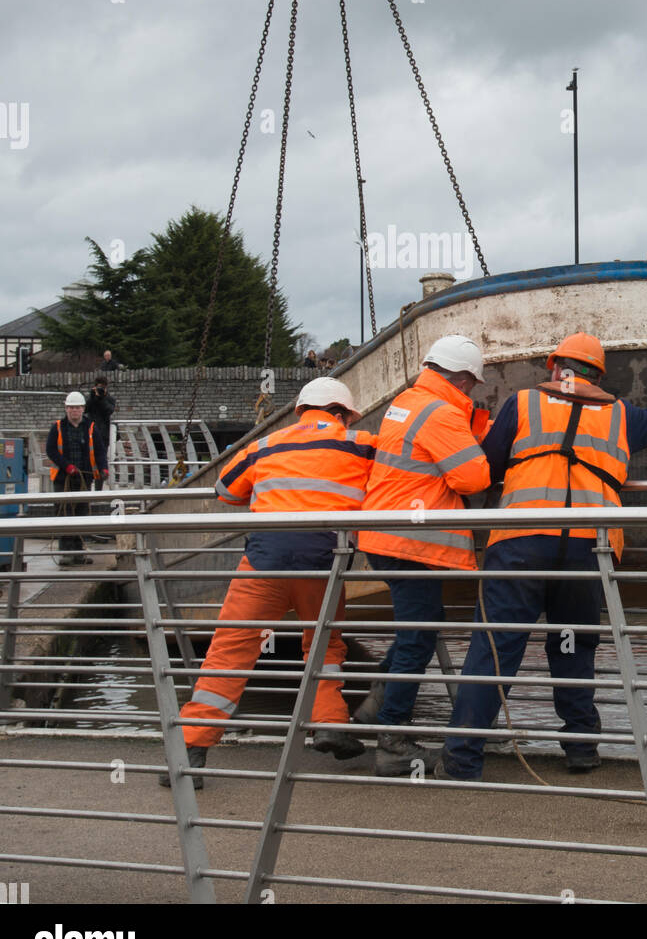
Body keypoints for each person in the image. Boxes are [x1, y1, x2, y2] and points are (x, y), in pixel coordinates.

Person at [436, 332, 647, 781]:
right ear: (598, 375)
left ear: (555, 368)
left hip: (522, 543)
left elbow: (487, 470)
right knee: (572, 645)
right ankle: (579, 747)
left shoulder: (523, 404)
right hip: (586, 549)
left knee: (495, 649)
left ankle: (462, 759)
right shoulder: (619, 415)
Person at [161, 378, 376, 790]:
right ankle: (330, 724)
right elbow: (396, 478)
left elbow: (225, 490)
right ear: (342, 414)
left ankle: (190, 748)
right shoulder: (362, 443)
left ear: (301, 411)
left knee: (229, 652)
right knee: (324, 645)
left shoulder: (266, 445)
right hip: (324, 560)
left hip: (263, 561)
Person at [357, 334, 491, 776]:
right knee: (417, 636)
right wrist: (473, 440)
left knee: (420, 627)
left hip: (387, 537)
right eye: (473, 384)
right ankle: (392, 739)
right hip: (408, 542)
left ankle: (373, 709)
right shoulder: (442, 411)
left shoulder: (410, 401)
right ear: (465, 378)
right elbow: (474, 479)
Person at [45, 391, 109, 567]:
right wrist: (67, 466)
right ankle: (66, 553)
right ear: (66, 409)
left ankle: (79, 552)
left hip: (83, 478)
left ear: (83, 409)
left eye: (78, 407)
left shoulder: (90, 427)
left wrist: (103, 468)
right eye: (71, 408)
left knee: (81, 514)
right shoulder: (57, 427)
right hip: (62, 478)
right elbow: (51, 450)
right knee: (64, 514)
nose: (74, 411)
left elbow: (100, 450)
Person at [85, 376, 116, 489]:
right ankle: (87, 487)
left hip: (103, 435)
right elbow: (85, 409)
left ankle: (99, 489)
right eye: (98, 387)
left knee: (100, 462)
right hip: (89, 433)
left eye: (102, 387)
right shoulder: (91, 397)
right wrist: (93, 396)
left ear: (106, 387)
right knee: (87, 460)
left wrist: (101, 398)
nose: (100, 389)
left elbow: (109, 411)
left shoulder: (110, 399)